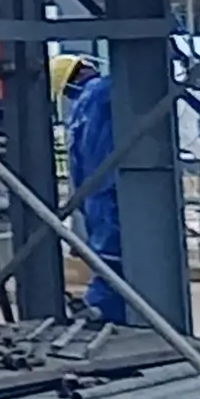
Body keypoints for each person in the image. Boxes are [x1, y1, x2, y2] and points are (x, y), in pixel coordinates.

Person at [67, 59, 132, 323]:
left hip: (96, 190)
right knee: (113, 256)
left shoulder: (81, 105)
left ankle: (102, 309)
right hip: (111, 186)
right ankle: (106, 311)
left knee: (107, 255)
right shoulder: (100, 92)